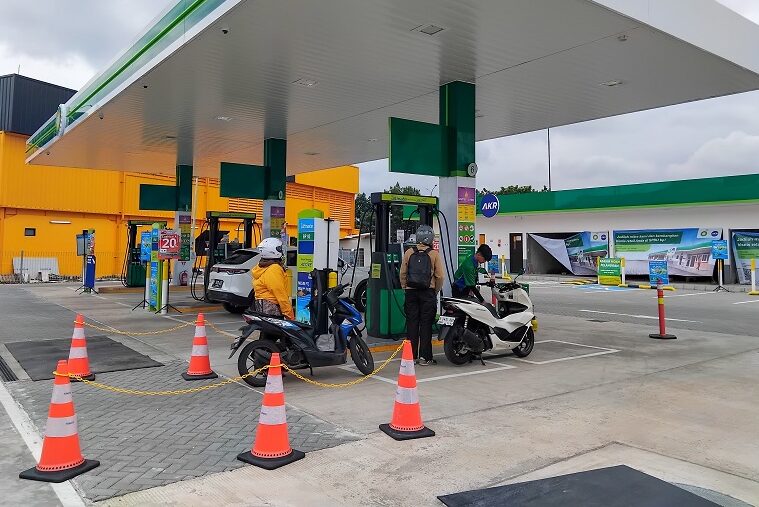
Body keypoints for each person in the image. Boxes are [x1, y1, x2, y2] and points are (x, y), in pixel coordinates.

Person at [400, 225, 445, 365]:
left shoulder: (409, 252)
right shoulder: (434, 254)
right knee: (426, 325)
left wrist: (405, 288)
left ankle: (411, 357)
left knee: (412, 324)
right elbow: (440, 276)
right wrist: (435, 291)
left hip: (411, 292)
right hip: (427, 293)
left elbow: (402, 273)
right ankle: (425, 358)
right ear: (430, 238)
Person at [251, 237, 295, 320]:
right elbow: (280, 293)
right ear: (273, 251)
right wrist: (289, 314)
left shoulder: (261, 266)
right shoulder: (274, 268)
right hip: (273, 309)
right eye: (279, 249)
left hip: (263, 307)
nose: (282, 251)